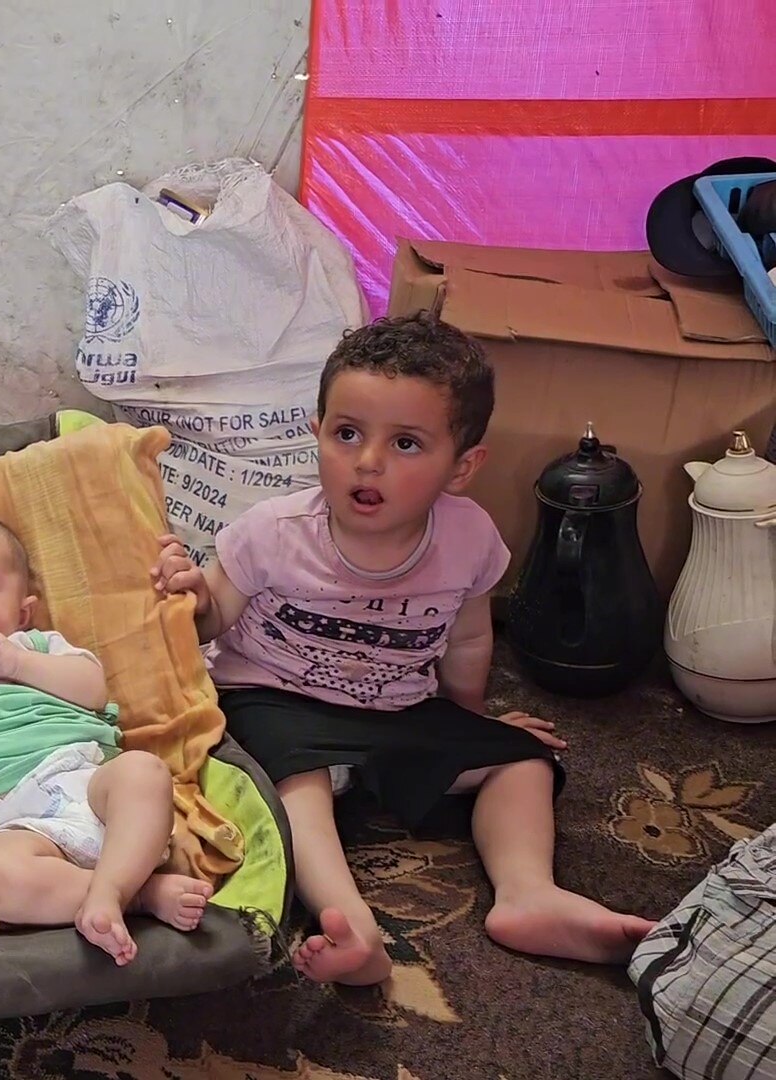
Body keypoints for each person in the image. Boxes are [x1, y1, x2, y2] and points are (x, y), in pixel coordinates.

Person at [151, 313, 654, 985]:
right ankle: (350, 923)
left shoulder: (469, 538)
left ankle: (528, 893)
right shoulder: (271, 532)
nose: (368, 461)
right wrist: (190, 594)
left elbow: (471, 636)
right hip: (275, 702)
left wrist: (470, 717)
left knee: (525, 762)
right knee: (296, 786)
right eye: (347, 433)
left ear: (463, 466)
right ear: (317, 433)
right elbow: (212, 624)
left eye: (407, 443)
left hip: (396, 708)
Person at [0, 512, 212, 965]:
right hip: (13, 825)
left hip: (90, 785)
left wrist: (18, 664)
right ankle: (136, 895)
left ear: (23, 611)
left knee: (143, 771)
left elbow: (94, 690)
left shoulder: (37, 645)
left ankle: (115, 883)